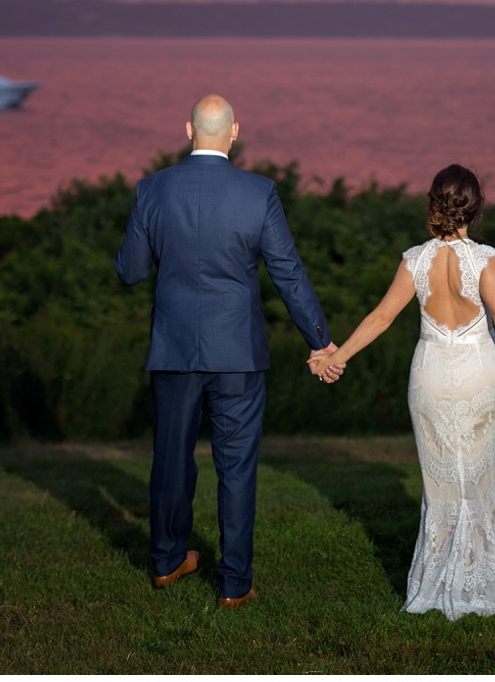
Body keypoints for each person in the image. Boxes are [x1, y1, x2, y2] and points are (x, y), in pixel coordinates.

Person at [117, 94, 336, 608]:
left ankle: (167, 561)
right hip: (238, 352)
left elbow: (130, 271)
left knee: (170, 459)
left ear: (189, 131)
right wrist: (319, 341)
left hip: (172, 350)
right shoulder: (259, 193)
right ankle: (235, 585)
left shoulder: (152, 189)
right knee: (236, 467)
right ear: (234, 131)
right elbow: (288, 274)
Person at [310, 164, 495, 623]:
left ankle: (438, 584)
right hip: (482, 375)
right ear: (474, 209)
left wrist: (338, 357)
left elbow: (380, 318)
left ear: (434, 203)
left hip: (432, 374)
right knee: (478, 482)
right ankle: (484, 584)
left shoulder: (414, 260)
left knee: (440, 486)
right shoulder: (486, 260)